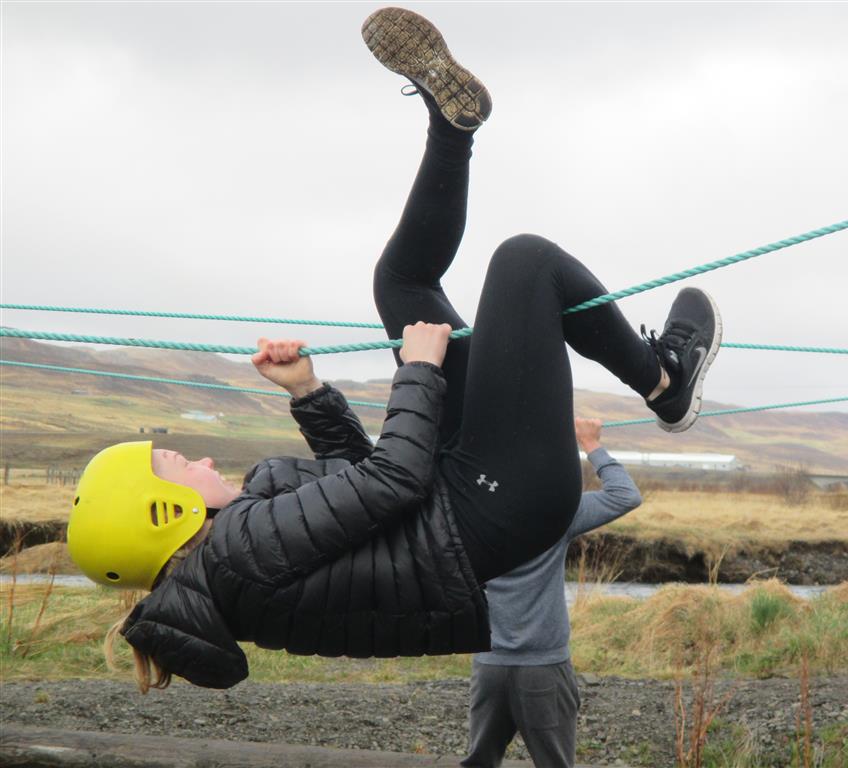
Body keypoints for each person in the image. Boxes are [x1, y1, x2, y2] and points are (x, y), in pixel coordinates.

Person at [67, 6, 722, 692]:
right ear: (164, 516)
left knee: (400, 283)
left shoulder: (237, 555)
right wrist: (419, 369)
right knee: (525, 263)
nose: (201, 460)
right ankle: (663, 381)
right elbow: (392, 479)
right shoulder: (240, 552)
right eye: (179, 467)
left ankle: (453, 125)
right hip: (493, 508)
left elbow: (358, 482)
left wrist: (307, 392)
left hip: (460, 499)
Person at [463, 417, 642, 768]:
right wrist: (590, 443)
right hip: (543, 667)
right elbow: (626, 495)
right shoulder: (555, 514)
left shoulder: (471, 513)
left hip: (489, 666)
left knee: (479, 763)